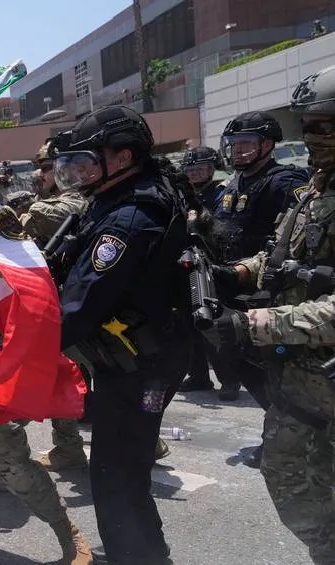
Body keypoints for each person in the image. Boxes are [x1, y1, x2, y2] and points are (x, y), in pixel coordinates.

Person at [204, 64, 335, 563]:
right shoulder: (316, 188)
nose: (311, 137)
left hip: (315, 366)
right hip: (300, 382)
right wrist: (234, 274)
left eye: (324, 125)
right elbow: (283, 257)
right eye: (308, 125)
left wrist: (254, 324)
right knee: (293, 488)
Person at [52, 105, 191, 564]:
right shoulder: (120, 197)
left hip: (143, 370)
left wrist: (25, 343)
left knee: (117, 474)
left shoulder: (130, 216)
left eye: (88, 160)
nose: (77, 172)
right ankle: (143, 553)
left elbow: (81, 304)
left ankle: (140, 556)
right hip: (139, 361)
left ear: (124, 157)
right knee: (123, 470)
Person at [213, 111, 309, 402]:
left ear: (267, 145)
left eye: (246, 142)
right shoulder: (233, 184)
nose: (237, 149)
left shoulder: (284, 180)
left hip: (266, 288)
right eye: (234, 143)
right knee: (238, 357)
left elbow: (300, 235)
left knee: (275, 365)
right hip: (232, 282)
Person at [18, 139, 90, 472]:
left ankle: (14, 459)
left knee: (65, 373)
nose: (41, 174)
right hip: (63, 303)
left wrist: (24, 214)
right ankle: (69, 447)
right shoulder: (48, 200)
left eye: (48, 168)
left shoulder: (77, 196)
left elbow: (70, 210)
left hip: (82, 305)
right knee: (65, 374)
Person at [177, 146, 226, 393]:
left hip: (212, 262)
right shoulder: (183, 195)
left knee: (214, 323)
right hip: (186, 263)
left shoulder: (221, 194)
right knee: (189, 323)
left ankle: (229, 380)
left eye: (201, 169)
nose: (195, 174)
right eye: (191, 170)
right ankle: (198, 376)